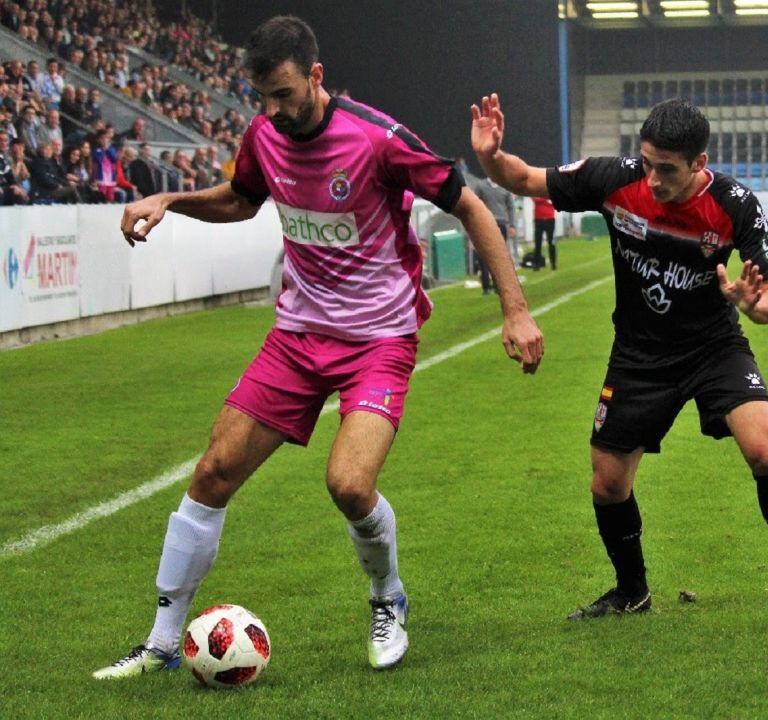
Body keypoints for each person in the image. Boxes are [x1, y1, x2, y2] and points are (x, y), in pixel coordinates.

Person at [93, 15, 543, 680]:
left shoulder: (377, 139)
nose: (272, 111)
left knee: (349, 484)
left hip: (378, 340)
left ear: (316, 77)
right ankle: (161, 642)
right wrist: (171, 198)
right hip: (297, 337)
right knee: (214, 472)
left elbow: (470, 207)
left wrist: (515, 310)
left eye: (283, 94)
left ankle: (387, 598)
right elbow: (242, 200)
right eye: (262, 98)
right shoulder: (263, 135)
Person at [472, 94, 768, 626]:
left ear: (699, 164)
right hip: (639, 354)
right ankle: (632, 591)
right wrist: (490, 157)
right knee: (608, 484)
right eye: (646, 163)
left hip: (714, 347)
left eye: (666, 169)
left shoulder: (736, 203)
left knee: (766, 450)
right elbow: (526, 179)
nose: (651, 179)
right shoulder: (615, 179)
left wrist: (750, 302)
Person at [472, 176, 516, 294]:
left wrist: (512, 225)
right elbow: (474, 204)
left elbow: (511, 207)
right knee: (484, 255)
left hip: (501, 224)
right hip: (485, 223)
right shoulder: (480, 186)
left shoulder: (504, 186)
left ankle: (499, 285)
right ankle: (486, 286)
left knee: (500, 256)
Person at [531, 195, 556, 270]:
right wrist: (545, 199)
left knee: (551, 242)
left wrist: (542, 199)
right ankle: (537, 264)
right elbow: (535, 199)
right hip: (538, 219)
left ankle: (553, 263)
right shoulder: (536, 191)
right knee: (537, 242)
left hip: (550, 219)